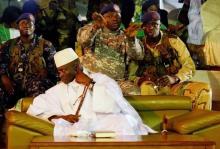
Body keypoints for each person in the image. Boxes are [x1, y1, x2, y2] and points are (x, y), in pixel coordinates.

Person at [27, 48, 156, 136]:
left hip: (101, 124)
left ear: (77, 67)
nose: (60, 75)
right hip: (78, 128)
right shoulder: (59, 88)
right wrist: (60, 116)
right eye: (59, 71)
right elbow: (37, 106)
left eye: (63, 71)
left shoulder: (100, 79)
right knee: (68, 129)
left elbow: (114, 106)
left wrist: (91, 83)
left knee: (125, 122)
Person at [131, 11, 212, 110]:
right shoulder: (137, 45)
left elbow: (189, 66)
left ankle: (198, 124)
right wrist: (141, 80)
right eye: (147, 25)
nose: (151, 27)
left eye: (154, 24)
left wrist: (175, 78)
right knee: (146, 88)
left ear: (160, 25)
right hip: (150, 86)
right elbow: (131, 73)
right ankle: (154, 124)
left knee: (203, 89)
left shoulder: (173, 41)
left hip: (173, 85)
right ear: (142, 27)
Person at [77, 4, 143, 95]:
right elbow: (83, 42)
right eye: (110, 16)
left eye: (117, 16)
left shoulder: (126, 35)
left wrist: (131, 40)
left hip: (117, 82)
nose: (114, 18)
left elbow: (138, 56)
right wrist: (95, 27)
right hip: (92, 79)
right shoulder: (93, 30)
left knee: (134, 93)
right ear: (102, 17)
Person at [0, 13, 57, 112]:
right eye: (23, 23)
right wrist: (4, 78)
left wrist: (47, 71)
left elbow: (56, 69)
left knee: (39, 95)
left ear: (34, 27)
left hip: (35, 85)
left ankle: (34, 120)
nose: (26, 25)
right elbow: (1, 63)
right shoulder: (9, 45)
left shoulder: (46, 45)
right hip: (12, 85)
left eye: (30, 23)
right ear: (18, 27)